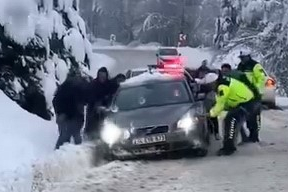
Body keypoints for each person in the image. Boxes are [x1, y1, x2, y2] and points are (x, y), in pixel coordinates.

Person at [209, 74, 259, 156]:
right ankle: (236, 142)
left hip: (246, 103)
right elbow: (222, 104)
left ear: (213, 82)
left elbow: (220, 104)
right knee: (232, 120)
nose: (210, 87)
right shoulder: (222, 83)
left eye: (209, 85)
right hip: (243, 102)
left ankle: (229, 148)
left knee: (231, 120)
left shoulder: (222, 87)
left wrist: (210, 114)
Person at [52, 71, 89, 150]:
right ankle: (58, 153)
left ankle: (77, 153)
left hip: (76, 117)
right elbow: (56, 101)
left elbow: (86, 99)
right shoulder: (64, 88)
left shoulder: (80, 88)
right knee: (65, 136)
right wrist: (60, 113)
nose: (76, 80)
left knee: (75, 136)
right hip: (66, 116)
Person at [237, 50, 266, 142]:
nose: (242, 59)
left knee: (255, 116)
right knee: (247, 116)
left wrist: (255, 90)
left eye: (243, 58)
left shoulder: (255, 65)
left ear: (248, 56)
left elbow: (261, 79)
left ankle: (255, 136)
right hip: (244, 95)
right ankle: (250, 135)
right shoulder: (240, 66)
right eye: (241, 58)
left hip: (254, 96)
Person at [84, 67, 119, 140]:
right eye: (100, 75)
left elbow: (115, 93)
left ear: (106, 75)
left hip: (108, 111)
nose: (102, 77)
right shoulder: (93, 84)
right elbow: (89, 98)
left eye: (104, 75)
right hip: (94, 112)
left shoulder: (110, 84)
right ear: (98, 75)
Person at [194, 65, 220, 140]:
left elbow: (211, 87)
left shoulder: (209, 78)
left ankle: (216, 132)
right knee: (205, 118)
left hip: (209, 99)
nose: (201, 74)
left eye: (204, 72)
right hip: (201, 102)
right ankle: (209, 131)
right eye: (201, 72)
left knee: (213, 116)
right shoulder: (196, 80)